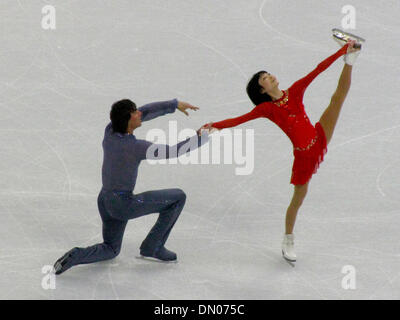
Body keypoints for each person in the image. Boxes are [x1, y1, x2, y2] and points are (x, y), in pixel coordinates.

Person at [202, 38, 361, 263]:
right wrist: (215, 125)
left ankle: (351, 59)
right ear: (262, 90)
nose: (270, 77)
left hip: (319, 137)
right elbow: (240, 119)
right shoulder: (267, 109)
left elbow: (318, 70)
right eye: (264, 79)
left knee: (337, 100)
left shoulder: (294, 91)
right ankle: (288, 238)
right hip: (304, 156)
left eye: (268, 74)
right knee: (298, 200)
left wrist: (342, 52)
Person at [54, 98, 208, 275]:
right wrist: (199, 138)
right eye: (135, 113)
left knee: (111, 249)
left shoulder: (110, 131)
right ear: (127, 121)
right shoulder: (135, 147)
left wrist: (173, 105)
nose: (139, 113)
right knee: (178, 197)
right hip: (123, 204)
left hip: (104, 200)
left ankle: (76, 255)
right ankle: (153, 246)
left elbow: (145, 112)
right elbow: (172, 151)